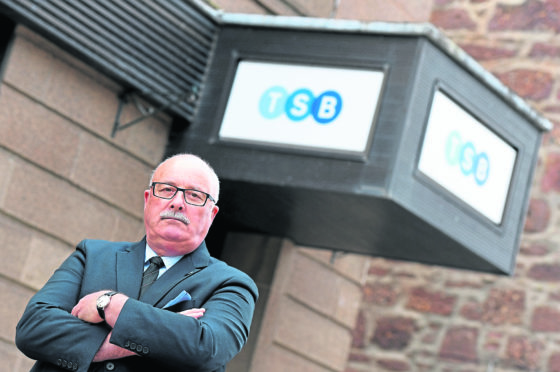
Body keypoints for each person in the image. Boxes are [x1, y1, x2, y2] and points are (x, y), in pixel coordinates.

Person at [16, 153, 258, 372]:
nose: (177, 202)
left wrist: (109, 305)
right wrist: (160, 335)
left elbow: (206, 349)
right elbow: (34, 329)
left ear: (212, 214)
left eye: (194, 195)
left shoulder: (231, 284)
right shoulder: (92, 255)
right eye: (166, 190)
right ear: (148, 199)